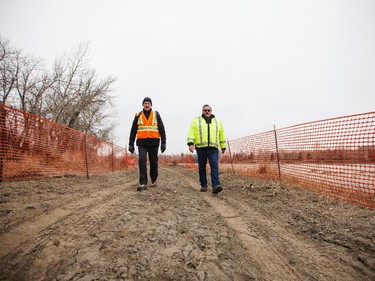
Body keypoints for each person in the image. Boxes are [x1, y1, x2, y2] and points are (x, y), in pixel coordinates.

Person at [129, 97, 166, 191]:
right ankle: (143, 182)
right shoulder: (138, 115)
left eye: (148, 103)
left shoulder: (156, 115)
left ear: (151, 105)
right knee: (142, 160)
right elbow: (133, 130)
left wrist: (163, 143)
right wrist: (131, 144)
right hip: (142, 143)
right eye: (145, 103)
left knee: (153, 162)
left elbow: (162, 129)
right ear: (143, 104)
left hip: (154, 142)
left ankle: (154, 179)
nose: (147, 105)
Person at [187, 104, 226, 194]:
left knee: (214, 165)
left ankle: (216, 185)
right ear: (202, 111)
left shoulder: (218, 122)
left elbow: (222, 134)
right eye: (205, 110)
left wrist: (223, 146)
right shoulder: (196, 121)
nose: (207, 112)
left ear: (211, 111)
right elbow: (191, 132)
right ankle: (204, 185)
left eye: (208, 110)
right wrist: (190, 144)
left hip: (213, 148)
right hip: (201, 148)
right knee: (202, 167)